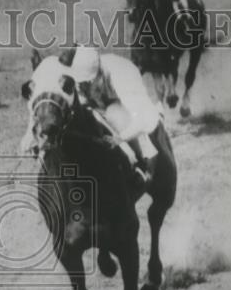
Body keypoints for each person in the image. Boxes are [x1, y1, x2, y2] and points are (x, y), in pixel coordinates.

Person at [65, 45, 163, 195]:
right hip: (103, 95)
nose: (82, 86)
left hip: (126, 99)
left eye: (86, 83)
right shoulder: (81, 76)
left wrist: (119, 139)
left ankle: (145, 166)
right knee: (95, 115)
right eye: (80, 83)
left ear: (98, 73)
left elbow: (140, 119)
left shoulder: (122, 75)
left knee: (117, 115)